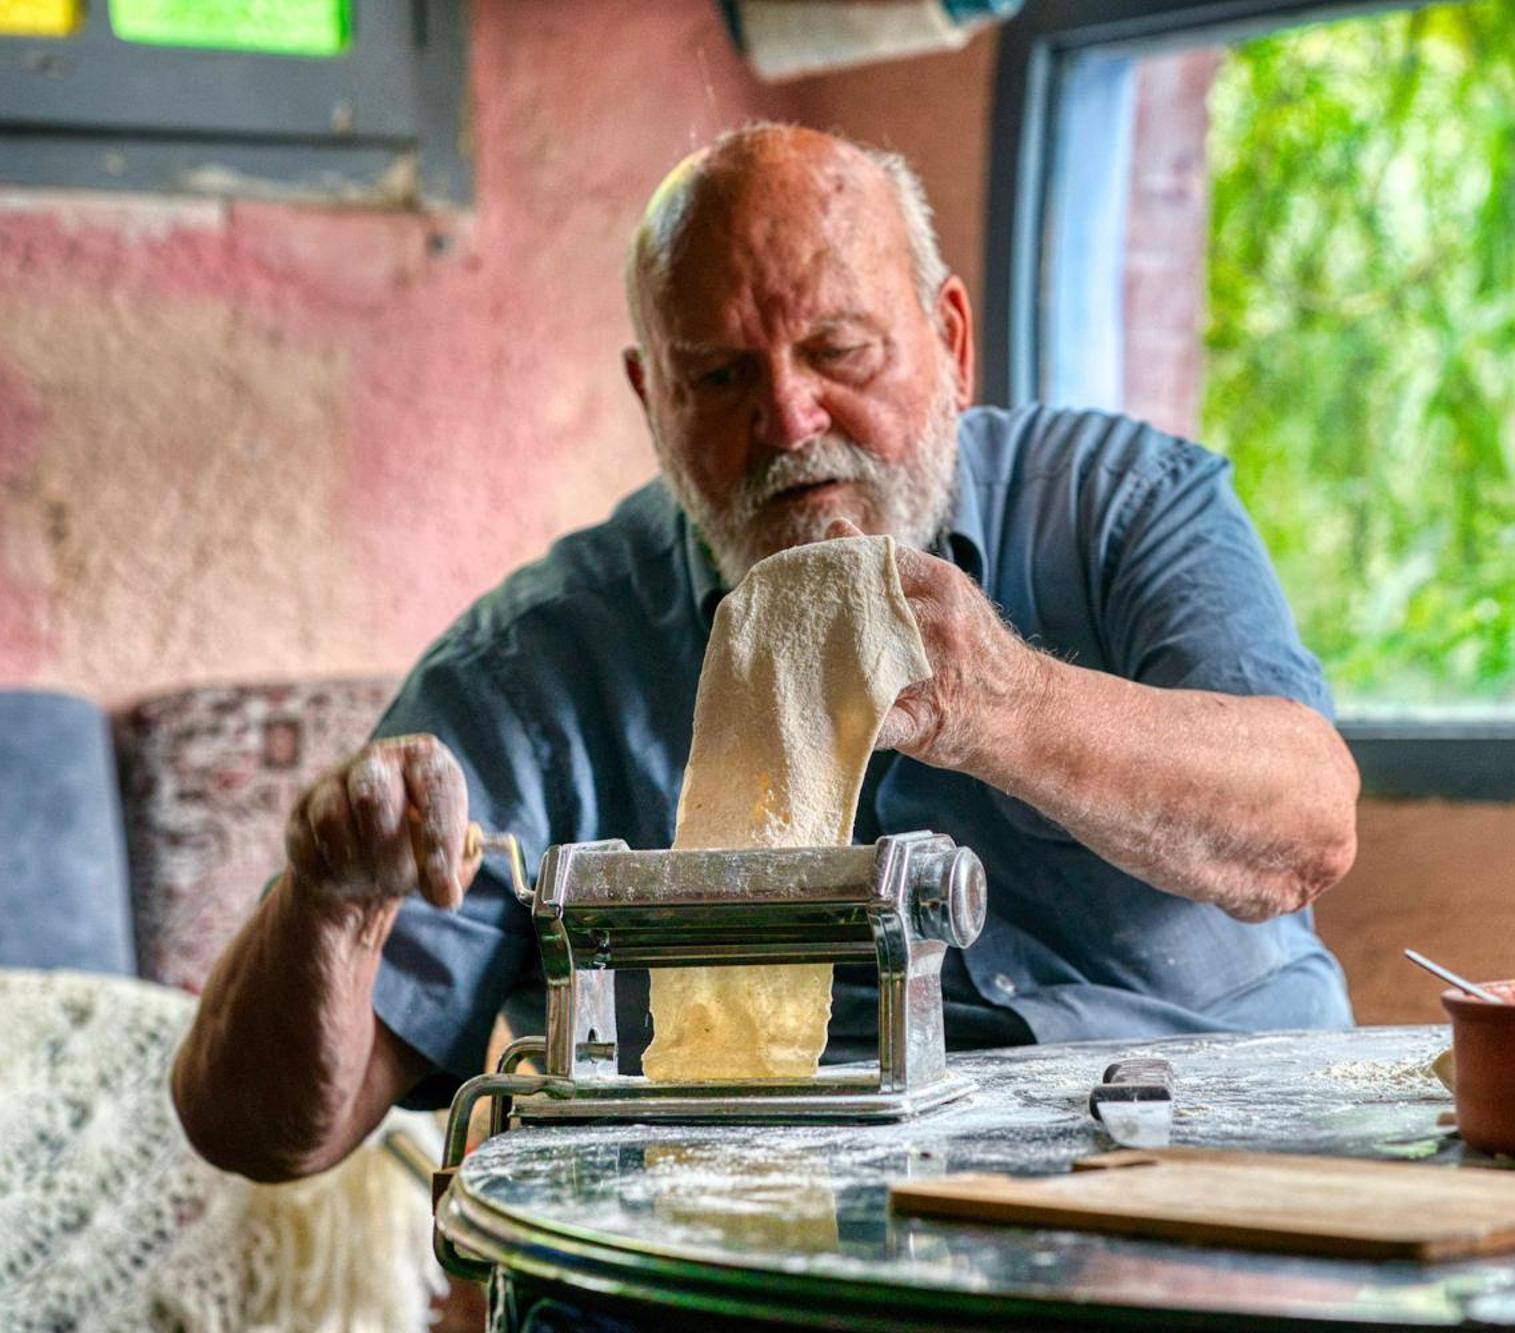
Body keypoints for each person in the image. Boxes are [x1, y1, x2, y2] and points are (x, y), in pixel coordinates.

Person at [172, 124, 1361, 1182]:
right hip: (769, 1225)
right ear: (652, 400)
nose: (788, 420)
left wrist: (999, 701)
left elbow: (1306, 829)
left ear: (949, 341)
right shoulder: (539, 661)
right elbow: (262, 1132)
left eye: (839, 351)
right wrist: (327, 906)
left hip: (1210, 1165)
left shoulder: (1121, 505)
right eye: (719, 376)